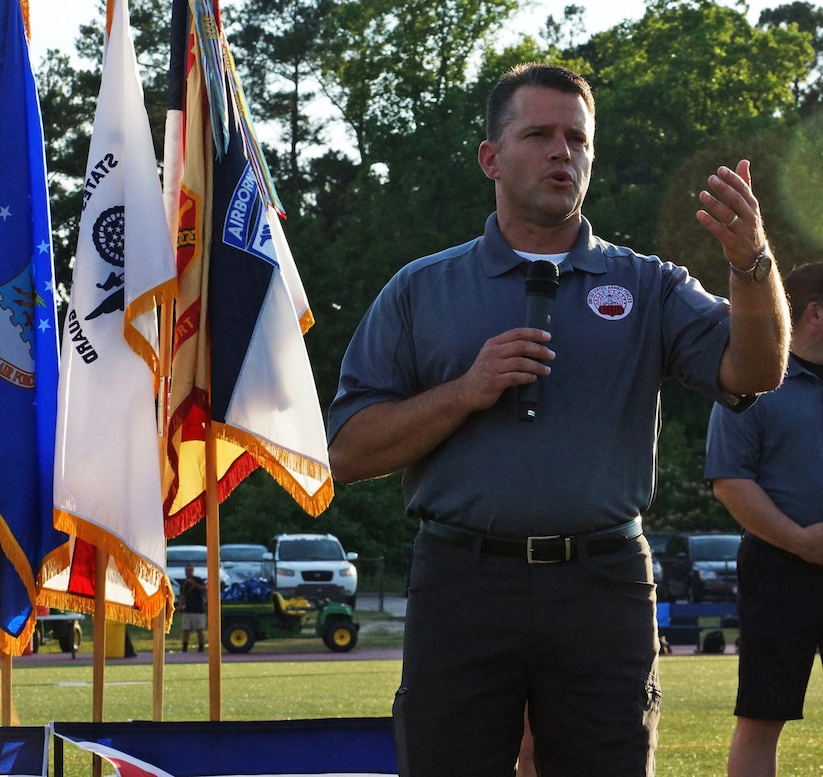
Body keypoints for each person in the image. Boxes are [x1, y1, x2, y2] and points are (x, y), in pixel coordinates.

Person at [327, 62, 789, 776]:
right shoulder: (423, 289)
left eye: (576, 138)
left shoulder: (646, 284)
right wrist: (465, 390)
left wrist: (752, 266)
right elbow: (346, 452)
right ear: (490, 156)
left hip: (603, 585)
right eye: (538, 133)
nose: (560, 152)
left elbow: (758, 370)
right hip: (463, 581)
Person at [704, 262, 823, 777]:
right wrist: (800, 540)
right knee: (762, 716)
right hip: (778, 571)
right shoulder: (753, 381)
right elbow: (731, 482)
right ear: (816, 313)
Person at [179, 563, 207, 652]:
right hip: (188, 609)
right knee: (185, 629)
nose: (188, 572)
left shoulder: (198, 580)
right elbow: (182, 594)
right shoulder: (184, 582)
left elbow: (203, 588)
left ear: (193, 571)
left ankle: (201, 647)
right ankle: (184, 648)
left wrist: (194, 584)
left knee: (200, 629)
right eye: (187, 570)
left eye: (190, 570)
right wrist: (180, 605)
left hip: (198, 609)